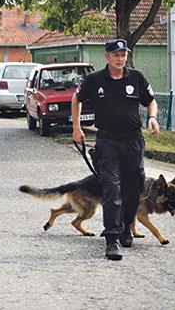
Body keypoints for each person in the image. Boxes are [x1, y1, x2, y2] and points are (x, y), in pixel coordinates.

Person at [72, 39, 160, 261]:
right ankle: (111, 239)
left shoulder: (136, 77)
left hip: (133, 141)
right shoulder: (95, 80)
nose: (120, 59)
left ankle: (125, 228)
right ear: (107, 56)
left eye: (123, 54)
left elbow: (151, 101)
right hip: (107, 141)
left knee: (134, 186)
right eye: (116, 55)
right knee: (112, 188)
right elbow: (76, 98)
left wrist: (152, 117)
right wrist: (76, 128)